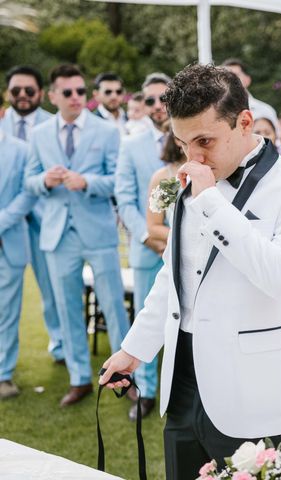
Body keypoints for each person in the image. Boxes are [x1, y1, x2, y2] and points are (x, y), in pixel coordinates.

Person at [99, 64, 281, 479]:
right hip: (183, 381)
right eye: (184, 143)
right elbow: (173, 276)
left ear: (244, 122)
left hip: (253, 392)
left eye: (205, 141)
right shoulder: (190, 183)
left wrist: (211, 204)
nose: (194, 157)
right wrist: (133, 351)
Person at [24, 64, 130, 407]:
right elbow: (29, 180)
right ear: (52, 95)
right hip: (57, 235)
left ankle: (125, 377)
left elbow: (117, 180)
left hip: (97, 231)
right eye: (67, 92)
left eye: (80, 92)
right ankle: (79, 378)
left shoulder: (107, 131)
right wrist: (46, 181)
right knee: (67, 308)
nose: (75, 98)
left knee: (113, 305)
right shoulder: (39, 134)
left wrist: (86, 182)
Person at [115, 72, 171, 421]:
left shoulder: (190, 135)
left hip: (192, 249)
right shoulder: (131, 144)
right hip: (146, 246)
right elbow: (124, 197)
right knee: (144, 319)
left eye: (162, 98)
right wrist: (146, 236)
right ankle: (147, 390)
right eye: (149, 100)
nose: (156, 106)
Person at [0, 65, 64, 366]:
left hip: (42, 222)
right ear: (8, 94)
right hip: (8, 226)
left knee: (52, 290)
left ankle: (60, 345)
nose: (22, 96)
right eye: (16, 91)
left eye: (29, 90)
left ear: (40, 93)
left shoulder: (53, 125)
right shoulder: (4, 126)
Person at [0, 131, 37, 399]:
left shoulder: (22, 149)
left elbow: (28, 193)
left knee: (7, 311)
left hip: (9, 241)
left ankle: (3, 374)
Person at [146, 127, 187, 240]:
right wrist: (185, 241)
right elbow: (154, 226)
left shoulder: (216, 171)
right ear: (177, 140)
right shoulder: (165, 178)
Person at [221, 58, 279, 134]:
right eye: (225, 77)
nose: (230, 80)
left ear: (247, 80)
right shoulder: (216, 112)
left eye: (235, 75)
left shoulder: (266, 111)